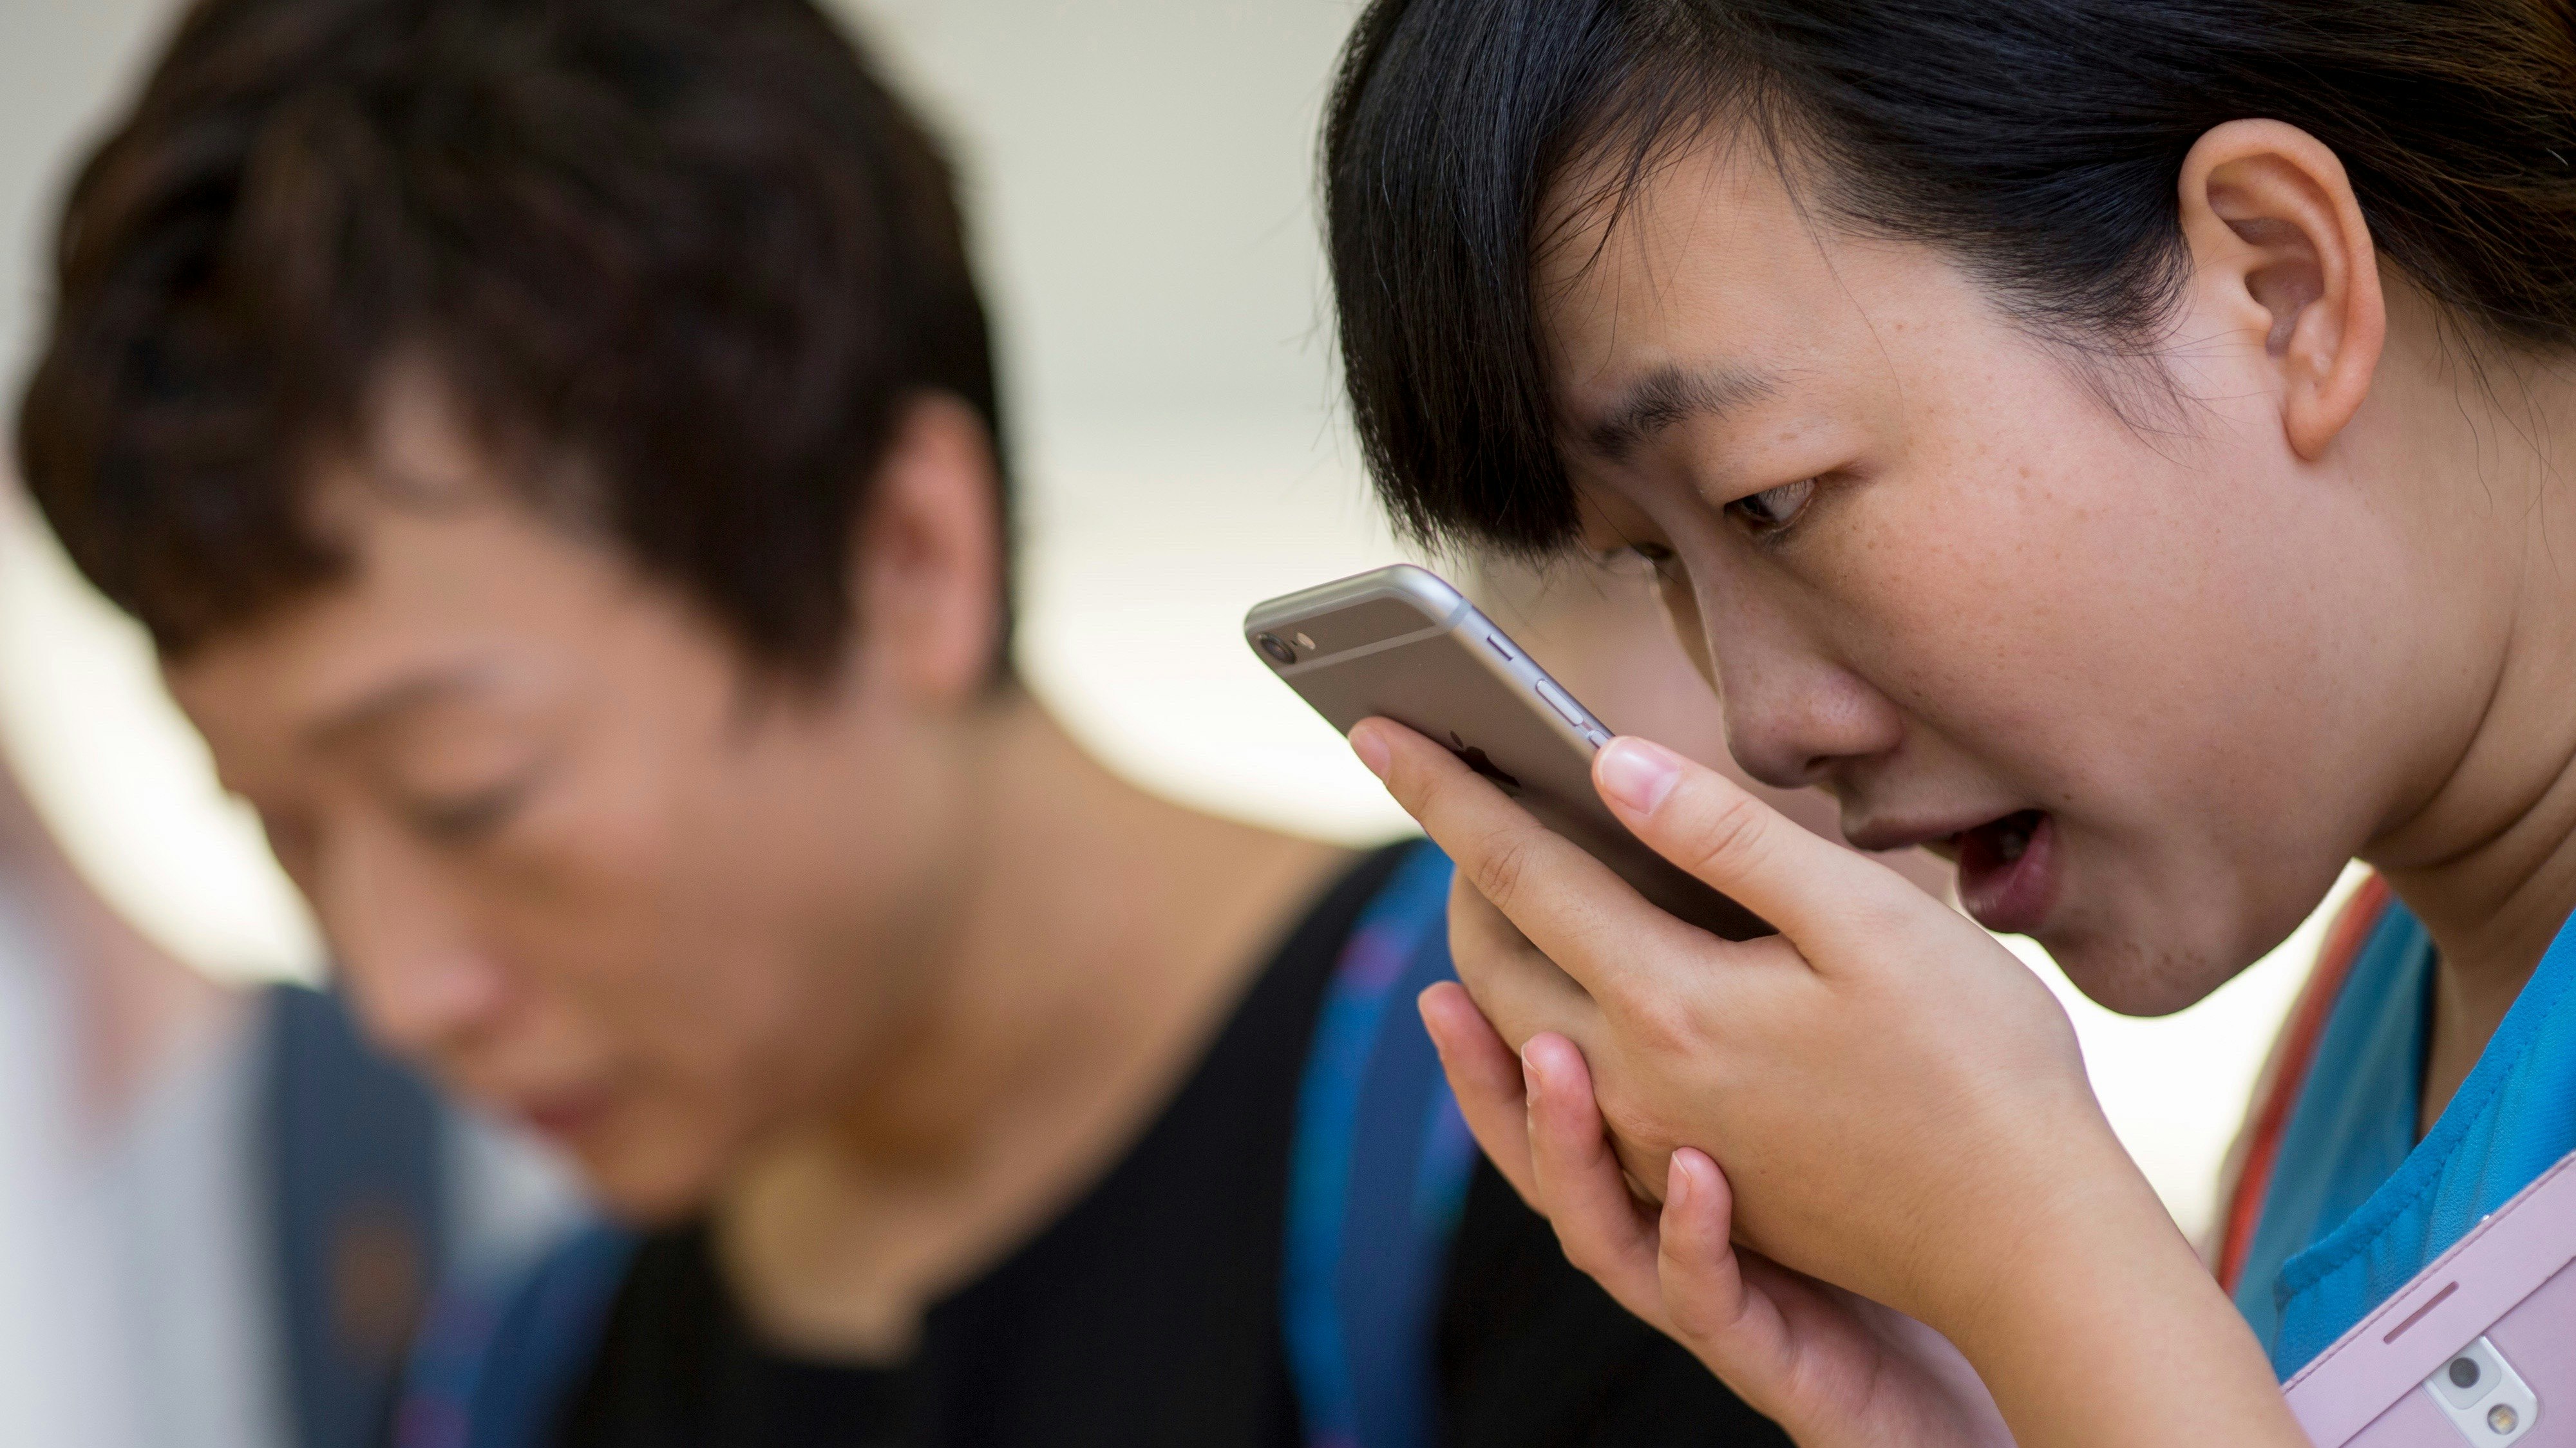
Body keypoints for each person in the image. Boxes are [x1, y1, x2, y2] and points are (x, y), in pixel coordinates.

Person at [15, 1, 1793, 1445]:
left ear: (906, 558)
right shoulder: (514, 1383)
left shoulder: (1584, 1152)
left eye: (465, 796)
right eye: (284, 828)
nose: (400, 989)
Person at [1318, 0, 2576, 1443]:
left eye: (1765, 500)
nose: (1766, 726)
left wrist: (2030, 1255)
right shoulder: (2366, 1043)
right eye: (1652, 563)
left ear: (2278, 287)